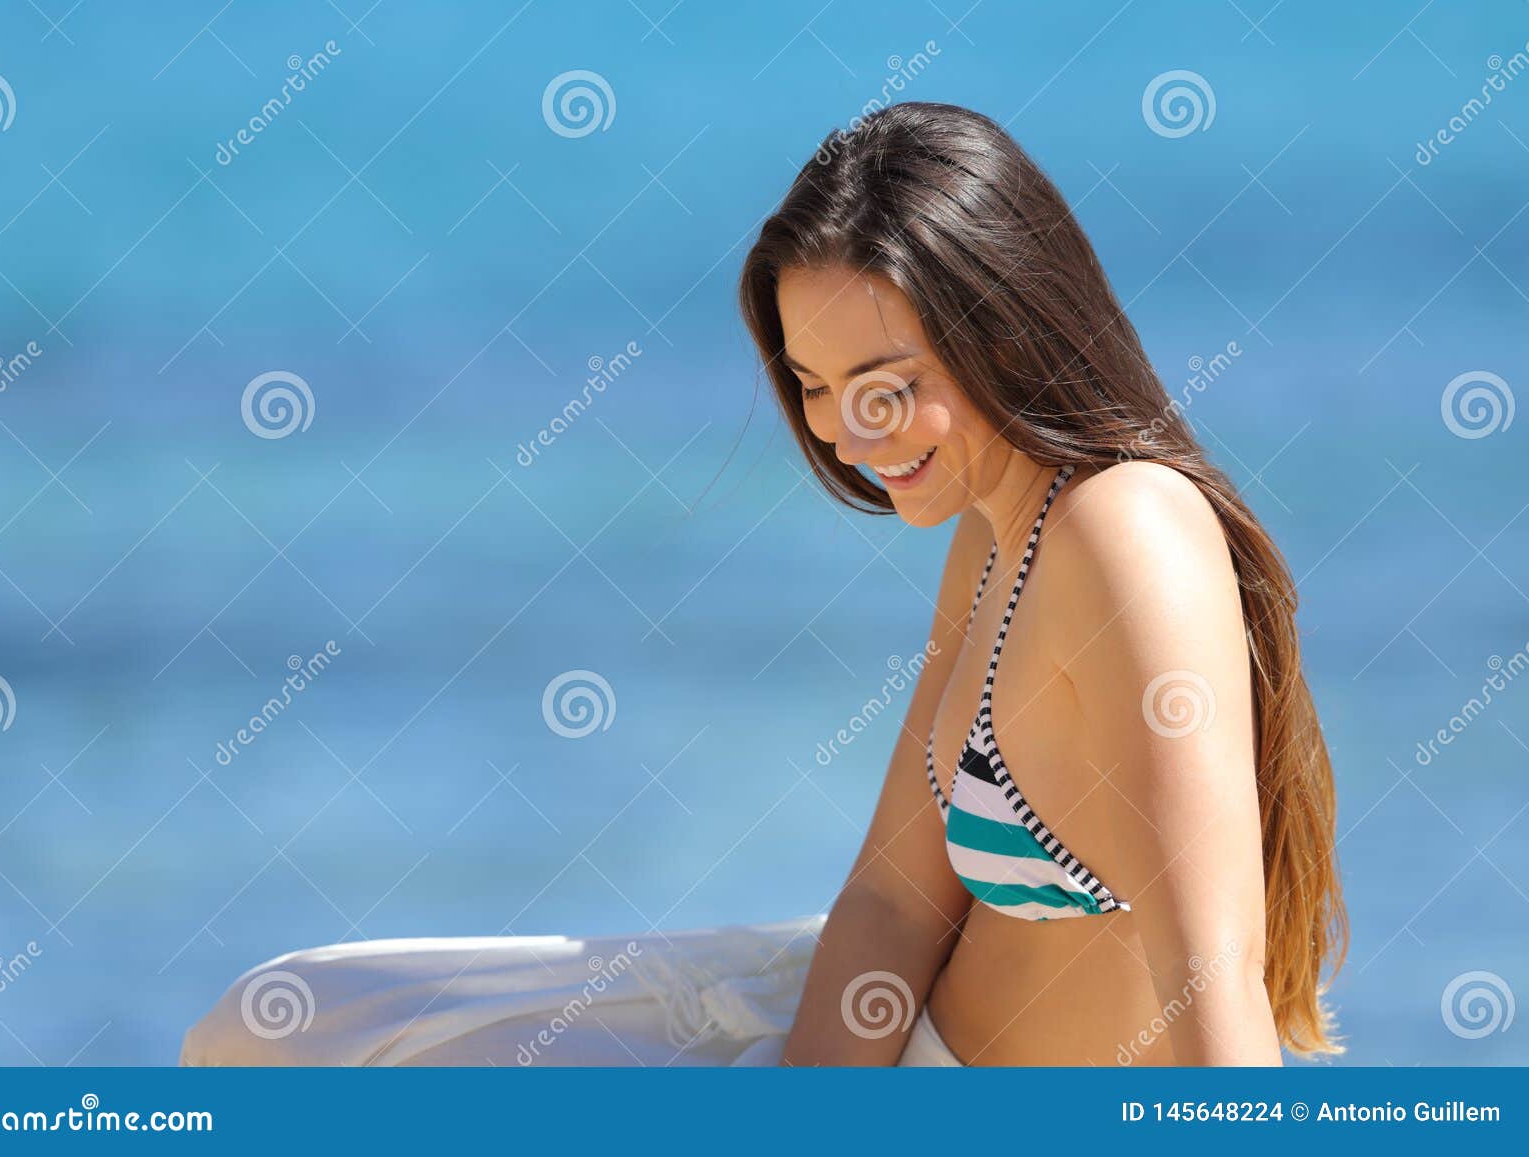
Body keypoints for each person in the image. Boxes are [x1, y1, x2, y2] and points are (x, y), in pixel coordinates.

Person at [181, 101, 1345, 1067]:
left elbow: (1210, 978)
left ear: (1002, 321)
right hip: (858, 1062)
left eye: (883, 381)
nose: (846, 432)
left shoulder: (1125, 529)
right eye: (815, 385)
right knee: (286, 1029)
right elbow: (892, 907)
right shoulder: (999, 533)